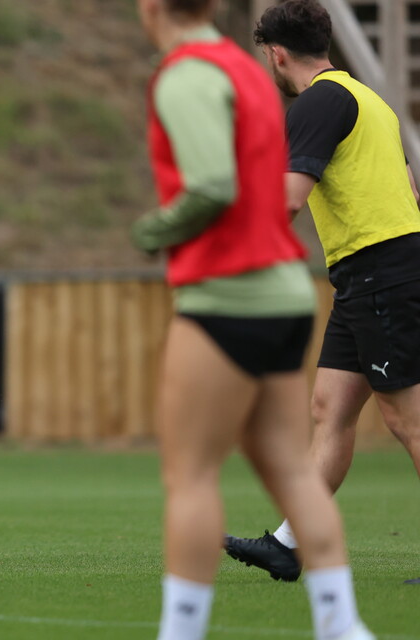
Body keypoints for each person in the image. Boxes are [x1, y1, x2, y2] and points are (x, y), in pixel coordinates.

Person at [132, 0, 373, 638]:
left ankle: (179, 631)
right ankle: (341, 624)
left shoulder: (186, 73)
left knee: (191, 475)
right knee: (293, 471)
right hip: (287, 291)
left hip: (227, 292)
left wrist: (153, 229)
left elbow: (211, 185)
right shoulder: (247, 69)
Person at [225, 0, 420, 586]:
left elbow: (287, 197)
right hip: (368, 274)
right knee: (329, 410)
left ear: (275, 53)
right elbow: (410, 185)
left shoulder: (319, 101)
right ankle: (288, 545)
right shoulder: (369, 99)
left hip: (381, 269)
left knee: (407, 419)